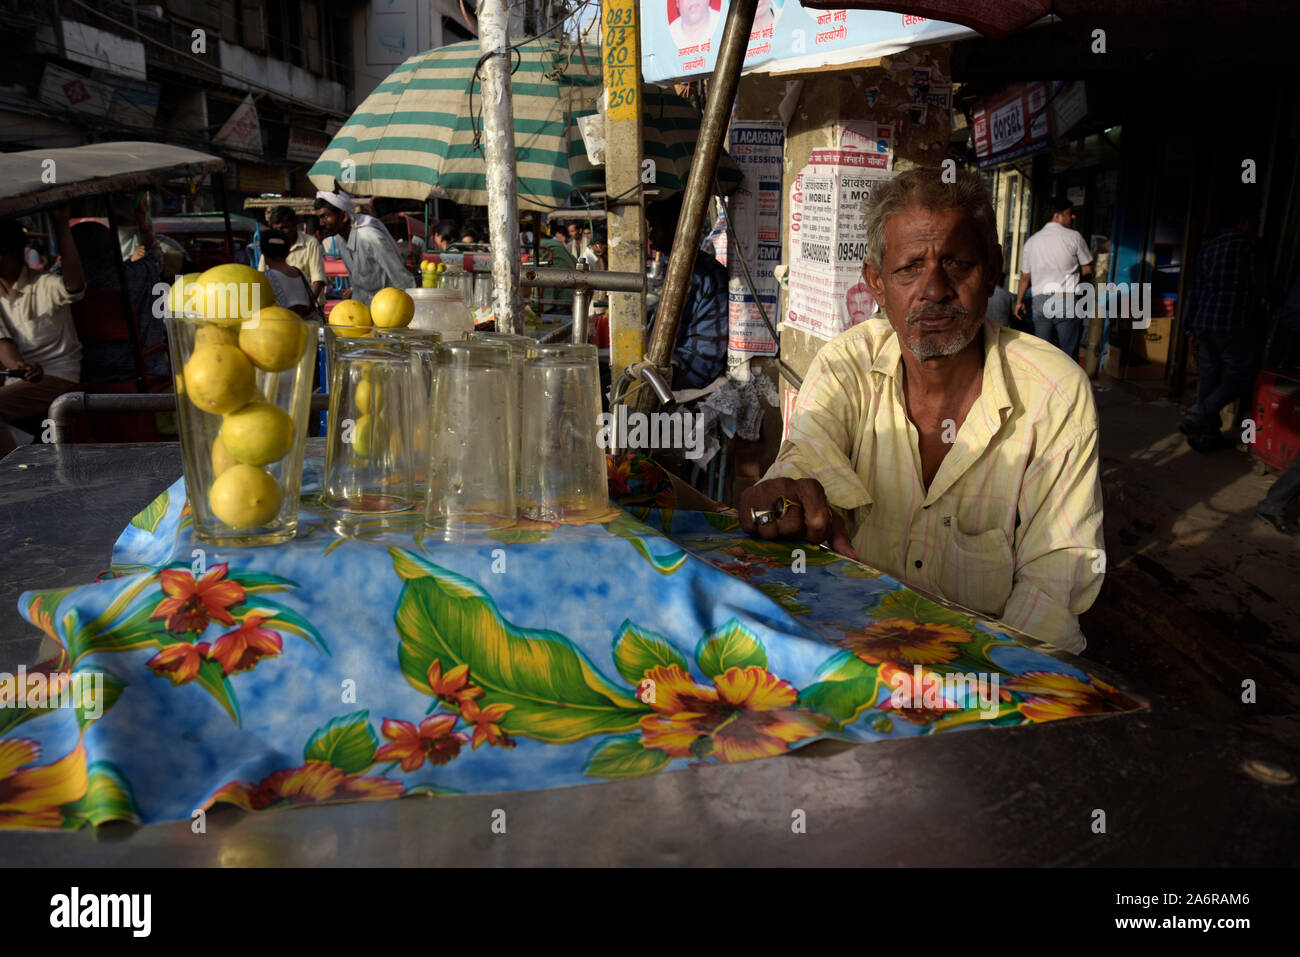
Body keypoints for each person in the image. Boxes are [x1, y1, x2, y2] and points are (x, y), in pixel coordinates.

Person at [739, 168, 1103, 653]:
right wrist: (780, 500)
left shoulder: (1053, 392)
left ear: (993, 269)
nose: (934, 290)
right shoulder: (848, 365)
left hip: (988, 673)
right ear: (876, 282)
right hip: (854, 651)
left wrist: (985, 691)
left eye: (956, 264)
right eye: (910, 268)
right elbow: (806, 457)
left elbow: (1055, 578)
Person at [1178, 204, 1266, 452]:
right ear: (1245, 221)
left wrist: (1190, 329)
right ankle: (1201, 413)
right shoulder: (1251, 245)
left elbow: (1195, 291)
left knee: (1208, 376)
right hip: (1233, 324)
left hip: (1205, 323)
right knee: (1243, 374)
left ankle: (1206, 435)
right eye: (1256, 221)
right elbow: (1263, 286)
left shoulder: (1209, 248)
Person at [0, 211, 85, 457]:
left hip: (58, 375)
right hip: (19, 379)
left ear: (10, 253)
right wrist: (21, 367)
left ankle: (18, 474)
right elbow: (4, 344)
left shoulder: (44, 284)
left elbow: (74, 286)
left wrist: (62, 223)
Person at [645, 195, 729, 390]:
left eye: (655, 228)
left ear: (676, 228)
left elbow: (663, 338)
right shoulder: (690, 267)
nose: (651, 236)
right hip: (692, 363)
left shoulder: (691, 273)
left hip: (694, 370)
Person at [1014, 199, 1093, 361]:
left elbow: (1025, 277)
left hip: (1040, 301)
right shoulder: (1074, 237)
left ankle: (1043, 385)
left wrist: (1019, 301)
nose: (1073, 217)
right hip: (1066, 299)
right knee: (1068, 355)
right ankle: (1068, 385)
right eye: (1069, 214)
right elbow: (1087, 269)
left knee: (1042, 353)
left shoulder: (1032, 242)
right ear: (1057, 216)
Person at [313, 190, 410, 306]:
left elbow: (402, 279)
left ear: (343, 216)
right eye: (319, 218)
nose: (321, 223)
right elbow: (357, 280)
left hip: (387, 309)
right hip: (362, 312)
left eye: (325, 216)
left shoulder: (370, 237)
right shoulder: (340, 240)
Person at [258, 205, 326, 308]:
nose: (279, 232)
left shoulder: (310, 243)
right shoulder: (271, 246)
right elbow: (260, 279)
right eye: (276, 229)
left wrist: (308, 308)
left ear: (294, 224)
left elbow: (318, 279)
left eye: (284, 227)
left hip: (310, 307)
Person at [260, 230, 316, 317]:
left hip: (280, 328)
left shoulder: (266, 278)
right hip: (303, 327)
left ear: (264, 255)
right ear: (287, 252)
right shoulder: (301, 274)